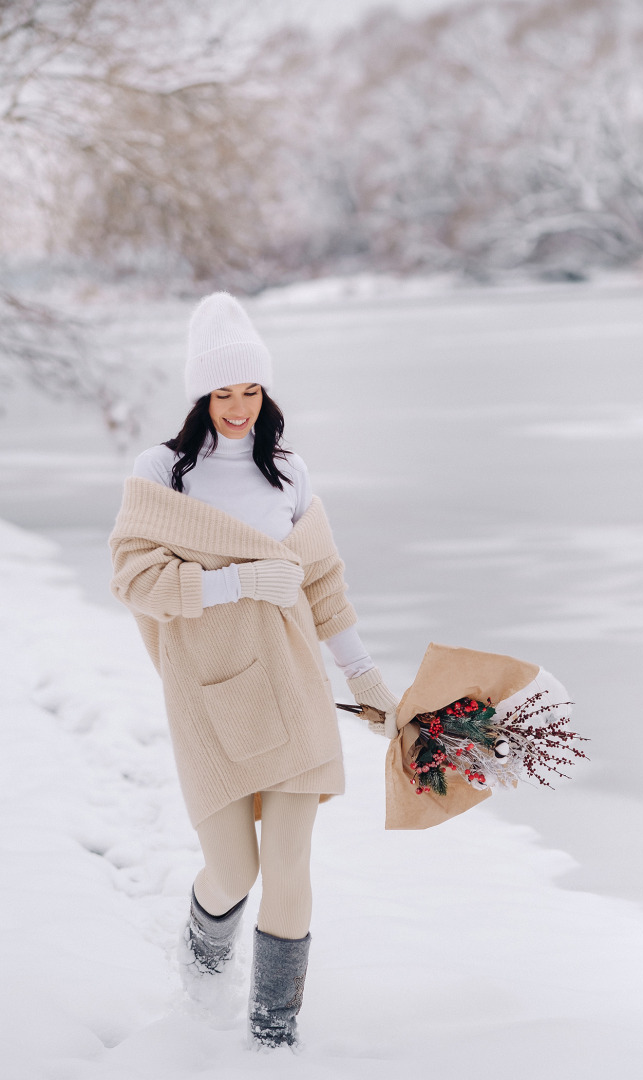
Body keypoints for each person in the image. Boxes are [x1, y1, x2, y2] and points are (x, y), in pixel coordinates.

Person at [108, 292, 398, 1050]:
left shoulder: (289, 474)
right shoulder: (162, 474)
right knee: (232, 869)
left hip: (294, 684)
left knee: (291, 862)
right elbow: (133, 580)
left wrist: (363, 677)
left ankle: (273, 1037)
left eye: (250, 391)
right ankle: (201, 982)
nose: (237, 408)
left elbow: (324, 582)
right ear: (199, 396)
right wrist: (233, 582)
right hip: (207, 694)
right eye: (222, 393)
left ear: (265, 393)